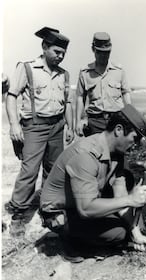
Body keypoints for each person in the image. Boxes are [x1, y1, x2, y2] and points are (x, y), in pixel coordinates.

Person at [40, 104, 146, 261]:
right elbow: (86, 209)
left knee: (132, 224)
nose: (136, 145)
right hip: (62, 212)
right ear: (119, 130)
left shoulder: (116, 152)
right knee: (119, 233)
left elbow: (119, 194)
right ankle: (70, 242)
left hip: (82, 201)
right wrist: (130, 200)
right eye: (135, 138)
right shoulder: (86, 155)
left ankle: (111, 234)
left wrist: (135, 233)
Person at [5, 27, 73, 235]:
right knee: (29, 171)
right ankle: (18, 214)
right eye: (56, 52)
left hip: (57, 126)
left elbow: (68, 103)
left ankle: (49, 209)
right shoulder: (27, 68)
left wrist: (69, 126)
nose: (60, 57)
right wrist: (14, 124)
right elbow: (11, 96)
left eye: (63, 53)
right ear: (44, 47)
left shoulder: (64, 74)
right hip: (34, 126)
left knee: (53, 170)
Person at [75, 32, 131, 137]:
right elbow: (80, 97)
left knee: (117, 152)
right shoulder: (85, 72)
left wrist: (131, 117)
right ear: (93, 49)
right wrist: (78, 121)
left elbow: (126, 94)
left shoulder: (119, 70)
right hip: (95, 121)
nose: (103, 55)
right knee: (95, 151)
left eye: (106, 52)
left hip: (116, 120)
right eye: (99, 52)